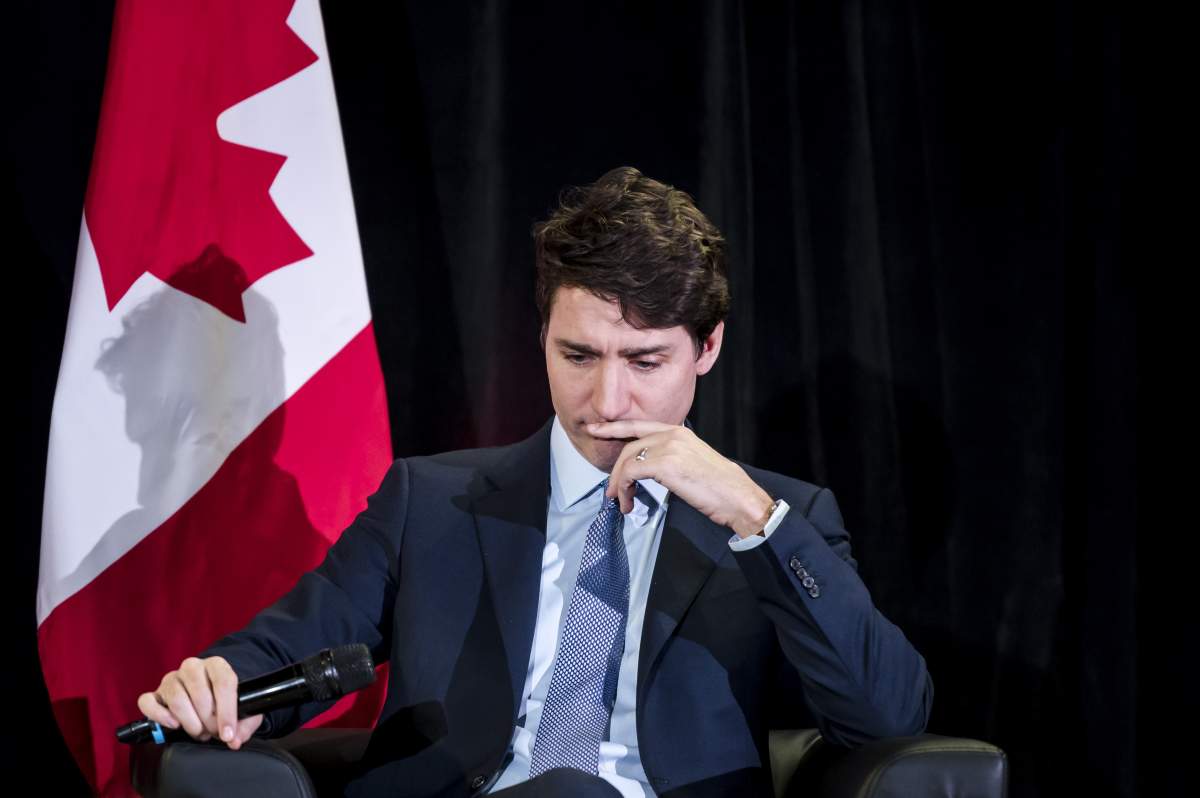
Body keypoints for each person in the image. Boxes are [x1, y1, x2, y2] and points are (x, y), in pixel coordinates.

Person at [138, 166, 933, 797]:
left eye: (645, 362)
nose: (606, 401)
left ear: (708, 347)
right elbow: (290, 648)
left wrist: (757, 520)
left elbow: (887, 717)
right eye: (577, 356)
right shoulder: (431, 501)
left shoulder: (777, 520)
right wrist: (221, 683)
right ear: (543, 336)